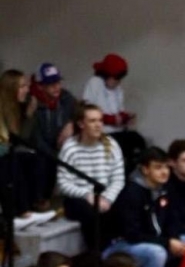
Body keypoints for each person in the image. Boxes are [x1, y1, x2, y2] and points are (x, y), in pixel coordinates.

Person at [105, 145, 170, 267]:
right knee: (157, 253)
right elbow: (131, 234)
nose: (164, 172)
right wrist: (167, 242)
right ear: (145, 169)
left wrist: (173, 240)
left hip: (146, 241)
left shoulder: (161, 189)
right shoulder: (131, 192)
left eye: (166, 167)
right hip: (119, 246)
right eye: (158, 167)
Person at [57, 101, 125, 250]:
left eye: (100, 120)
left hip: (105, 196)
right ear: (81, 124)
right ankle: (99, 258)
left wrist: (107, 198)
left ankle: (116, 254)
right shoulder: (70, 148)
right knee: (91, 213)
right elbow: (63, 183)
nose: (98, 125)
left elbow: (118, 179)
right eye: (92, 121)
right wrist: (87, 195)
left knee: (124, 204)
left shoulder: (111, 145)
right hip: (80, 198)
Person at [0, 69, 54, 228]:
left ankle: (34, 205)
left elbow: (19, 139)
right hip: (3, 155)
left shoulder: (16, 109)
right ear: (11, 89)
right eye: (22, 86)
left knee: (37, 159)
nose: (27, 90)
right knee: (12, 162)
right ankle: (21, 212)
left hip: (7, 152)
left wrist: (29, 115)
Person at [81, 53, 144, 172]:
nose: (118, 82)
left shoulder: (118, 90)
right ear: (107, 75)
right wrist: (112, 120)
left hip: (116, 132)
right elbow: (87, 111)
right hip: (100, 133)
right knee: (120, 146)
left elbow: (118, 112)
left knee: (137, 140)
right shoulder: (94, 83)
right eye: (116, 78)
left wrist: (126, 117)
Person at [29, 63, 77, 205]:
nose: (56, 87)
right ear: (40, 86)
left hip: (59, 146)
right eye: (51, 84)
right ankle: (41, 201)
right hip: (41, 150)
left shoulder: (65, 98)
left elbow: (80, 110)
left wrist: (71, 123)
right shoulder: (33, 104)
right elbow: (35, 138)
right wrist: (57, 157)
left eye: (58, 82)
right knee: (43, 161)